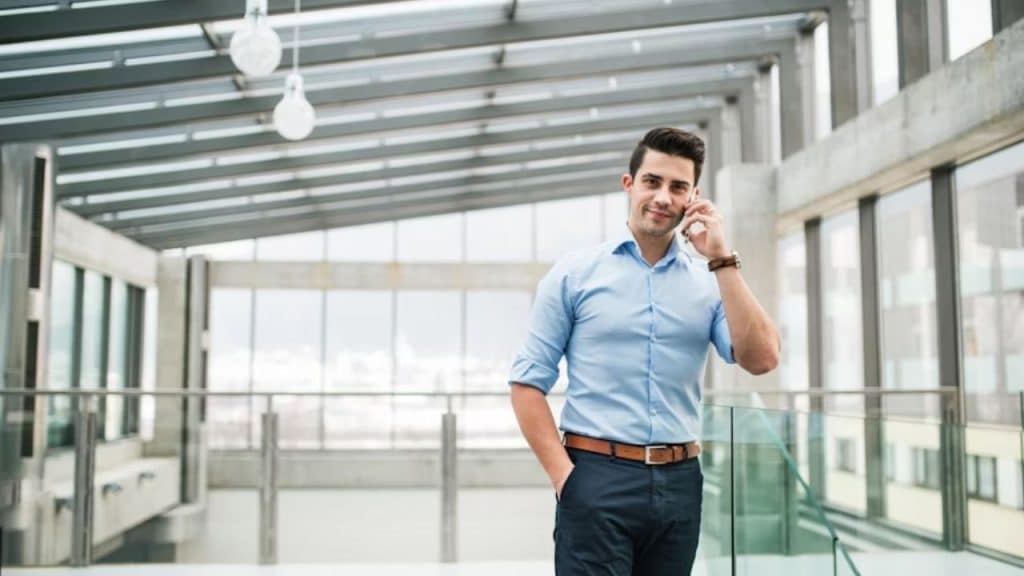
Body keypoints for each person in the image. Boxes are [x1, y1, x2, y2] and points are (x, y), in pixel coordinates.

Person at [508, 127, 781, 575]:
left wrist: (722, 259)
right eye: (652, 182)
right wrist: (565, 478)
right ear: (629, 184)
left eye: (677, 187)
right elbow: (526, 384)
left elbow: (762, 358)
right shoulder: (575, 275)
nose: (663, 197)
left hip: (680, 483)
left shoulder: (709, 281)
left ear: (694, 196)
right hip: (595, 476)